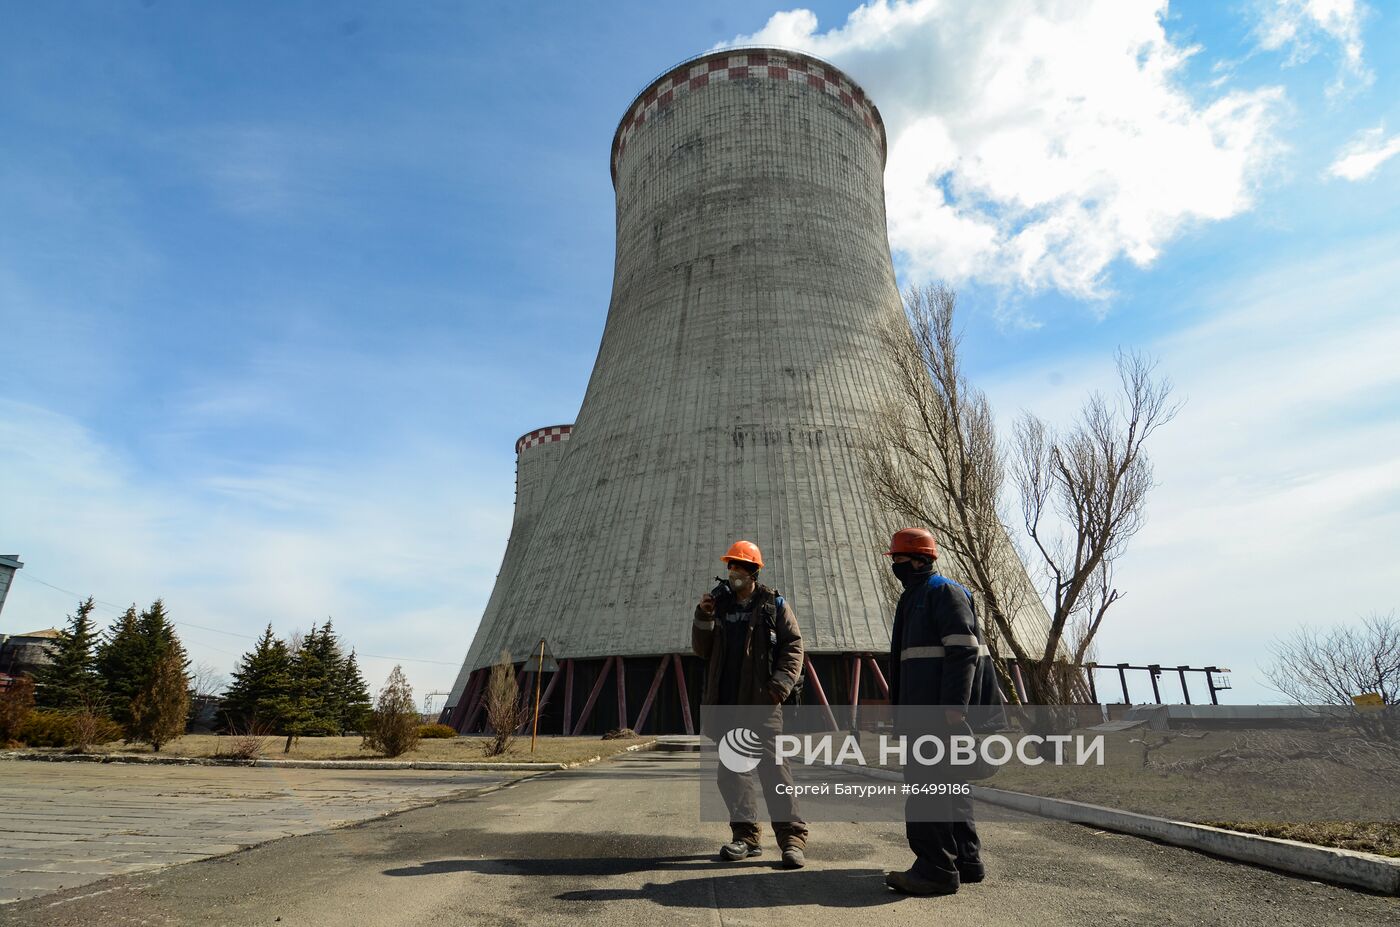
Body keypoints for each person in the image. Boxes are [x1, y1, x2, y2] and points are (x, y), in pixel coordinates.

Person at [883, 527, 1005, 896]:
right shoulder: (914, 597)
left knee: (927, 789)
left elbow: (963, 651)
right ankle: (965, 861)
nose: (896, 566)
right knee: (951, 786)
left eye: (900, 559)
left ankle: (934, 870)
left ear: (921, 559)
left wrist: (954, 709)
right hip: (925, 713)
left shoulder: (943, 592)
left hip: (939, 715)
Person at [692, 539, 809, 869]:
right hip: (728, 704)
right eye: (731, 567)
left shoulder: (774, 605)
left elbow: (793, 647)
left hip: (762, 705)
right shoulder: (719, 605)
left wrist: (779, 687)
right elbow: (701, 649)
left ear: (753, 571)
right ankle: (746, 837)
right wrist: (703, 615)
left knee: (775, 772)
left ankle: (791, 840)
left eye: (740, 567)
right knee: (732, 775)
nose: (734, 573)